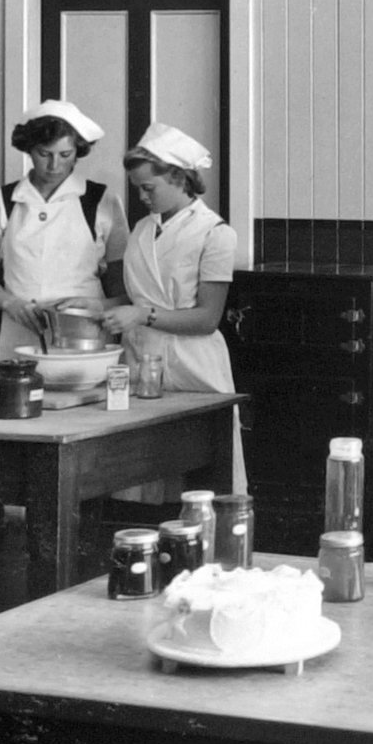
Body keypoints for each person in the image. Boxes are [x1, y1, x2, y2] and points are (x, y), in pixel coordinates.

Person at [101, 123, 245, 490]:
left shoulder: (215, 234)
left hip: (193, 365)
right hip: (141, 361)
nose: (142, 198)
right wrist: (93, 305)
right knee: (140, 478)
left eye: (149, 188)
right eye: (138, 189)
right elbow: (139, 296)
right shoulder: (142, 230)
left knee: (200, 481)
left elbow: (207, 318)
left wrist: (142, 315)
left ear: (180, 178)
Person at [0, 99, 128, 360]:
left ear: (78, 151)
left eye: (65, 155)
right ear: (29, 150)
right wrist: (12, 304)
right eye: (44, 154)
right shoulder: (2, 200)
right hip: (20, 332)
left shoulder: (101, 200)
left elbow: (123, 288)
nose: (54, 166)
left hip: (84, 333)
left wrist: (97, 307)